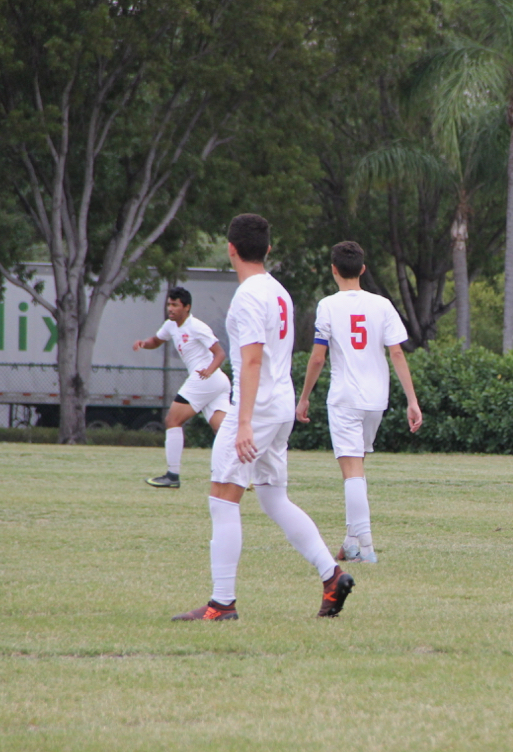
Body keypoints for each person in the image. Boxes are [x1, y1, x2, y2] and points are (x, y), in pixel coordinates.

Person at [172, 213, 353, 622]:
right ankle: (331, 576)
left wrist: (245, 422)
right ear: (268, 249)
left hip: (257, 407)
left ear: (231, 249)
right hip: (281, 402)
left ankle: (222, 603)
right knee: (272, 496)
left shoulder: (248, 296)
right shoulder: (278, 291)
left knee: (222, 497)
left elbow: (251, 360)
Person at [296, 240, 423, 564]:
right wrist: (412, 400)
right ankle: (351, 542)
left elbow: (317, 358)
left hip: (345, 398)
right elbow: (396, 352)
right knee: (358, 467)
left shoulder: (328, 305)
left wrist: (305, 397)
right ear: (363, 269)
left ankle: (365, 547)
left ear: (334, 269)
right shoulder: (382, 304)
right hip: (375, 400)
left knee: (352, 471)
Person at [132, 287, 231, 488]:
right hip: (216, 382)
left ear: (187, 307)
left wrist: (209, 371)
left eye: (175, 305)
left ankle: (172, 475)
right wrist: (144, 343)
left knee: (172, 419)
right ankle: (243, 475)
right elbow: (157, 341)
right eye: (169, 304)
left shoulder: (197, 326)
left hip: (206, 378)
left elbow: (220, 353)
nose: (171, 308)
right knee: (224, 430)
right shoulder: (170, 325)